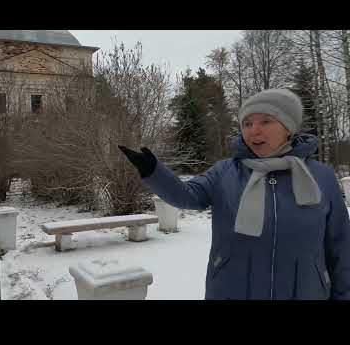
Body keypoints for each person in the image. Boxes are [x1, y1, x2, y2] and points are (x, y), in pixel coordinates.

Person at [119, 88, 350, 300]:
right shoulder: (225, 172)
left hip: (304, 291)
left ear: (288, 127)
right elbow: (187, 196)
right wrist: (154, 172)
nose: (254, 130)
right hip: (233, 289)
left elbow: (340, 246)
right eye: (247, 123)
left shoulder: (321, 177)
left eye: (266, 121)